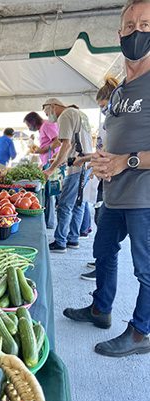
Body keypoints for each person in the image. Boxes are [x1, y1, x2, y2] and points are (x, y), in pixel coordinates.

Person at [63, 0, 150, 357]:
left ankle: (141, 331)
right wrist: (97, 158)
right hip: (114, 194)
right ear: (119, 34)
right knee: (103, 252)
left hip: (144, 197)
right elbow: (113, 139)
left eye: (145, 25)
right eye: (130, 27)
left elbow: (127, 153)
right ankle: (101, 309)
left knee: (145, 269)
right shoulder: (117, 92)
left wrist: (125, 161)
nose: (137, 32)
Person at [80, 76, 120, 281]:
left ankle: (102, 266)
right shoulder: (109, 121)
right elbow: (103, 149)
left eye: (103, 106)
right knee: (102, 226)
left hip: (114, 182)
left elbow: (110, 151)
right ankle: (100, 264)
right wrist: (89, 159)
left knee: (105, 229)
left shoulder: (119, 120)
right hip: (105, 180)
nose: (103, 110)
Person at [42, 99, 93, 253]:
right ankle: (73, 239)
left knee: (64, 205)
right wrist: (60, 160)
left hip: (77, 167)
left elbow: (67, 145)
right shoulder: (79, 113)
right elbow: (77, 143)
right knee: (78, 204)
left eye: (47, 113)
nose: (48, 117)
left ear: (53, 107)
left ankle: (60, 242)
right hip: (86, 163)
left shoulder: (65, 115)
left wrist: (51, 169)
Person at [23, 112, 60, 228]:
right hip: (48, 162)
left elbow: (58, 141)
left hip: (51, 163)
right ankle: (49, 222)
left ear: (33, 121)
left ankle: (49, 223)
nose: (29, 128)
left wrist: (42, 150)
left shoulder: (47, 125)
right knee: (49, 194)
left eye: (29, 125)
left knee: (50, 194)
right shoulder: (44, 127)